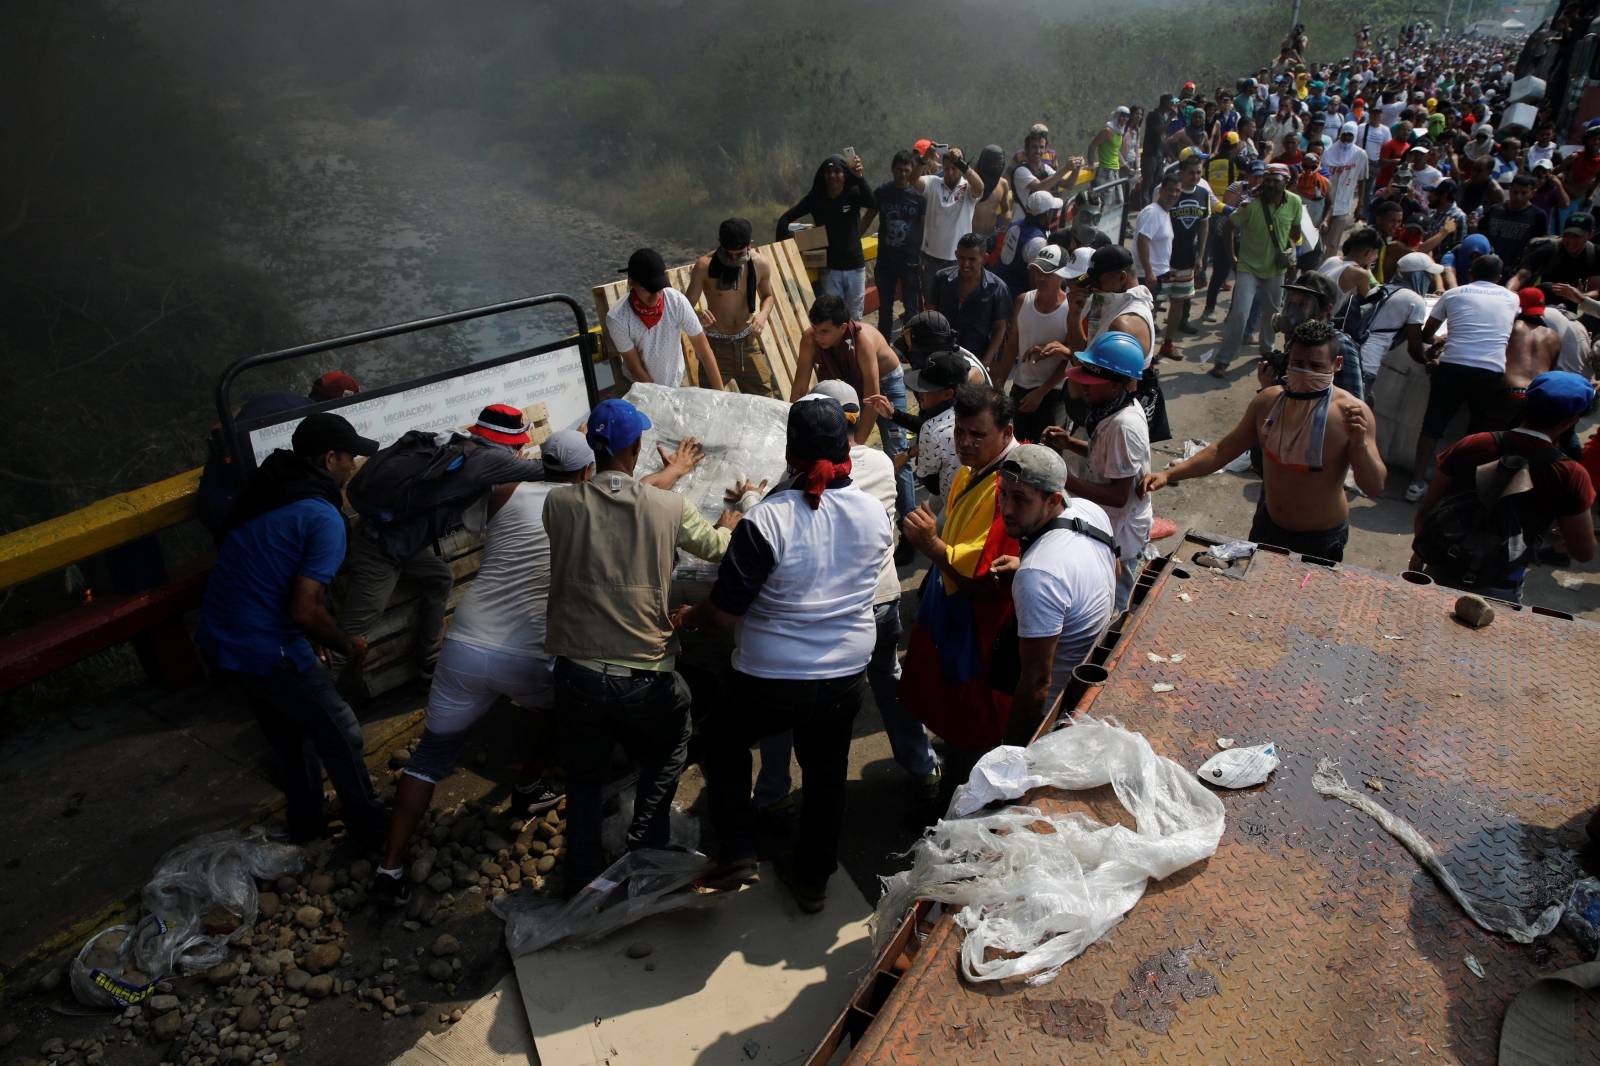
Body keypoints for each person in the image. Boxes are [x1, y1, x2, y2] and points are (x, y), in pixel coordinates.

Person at [681, 394, 893, 911]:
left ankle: (735, 851)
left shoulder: (766, 522)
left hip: (770, 677)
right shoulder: (872, 513)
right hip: (844, 672)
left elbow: (725, 612)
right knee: (826, 774)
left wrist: (690, 616)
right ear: (846, 448)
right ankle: (813, 878)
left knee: (719, 741)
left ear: (789, 453)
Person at [372, 430, 597, 906]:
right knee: (553, 709)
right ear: (585, 473)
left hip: (466, 641)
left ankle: (388, 865)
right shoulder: (586, 508)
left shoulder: (505, 493)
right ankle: (529, 785)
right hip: (527, 651)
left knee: (430, 758)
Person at [541, 398, 741, 891]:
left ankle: (582, 873)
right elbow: (719, 548)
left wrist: (667, 474)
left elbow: (613, 500)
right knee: (673, 738)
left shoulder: (559, 505)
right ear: (635, 448)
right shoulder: (669, 508)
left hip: (574, 672)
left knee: (583, 775)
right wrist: (733, 515)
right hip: (644, 675)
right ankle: (647, 842)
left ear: (593, 448)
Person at [750, 381, 941, 819]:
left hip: (833, 606)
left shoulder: (794, 480)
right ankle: (923, 766)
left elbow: (770, 517)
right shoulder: (878, 463)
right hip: (882, 600)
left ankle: (775, 789)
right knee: (888, 679)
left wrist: (746, 497)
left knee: (784, 692)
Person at [196, 413, 387, 848]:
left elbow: (265, 571)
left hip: (221, 637)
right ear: (330, 457)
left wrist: (308, 637)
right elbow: (304, 609)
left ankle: (307, 823)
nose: (353, 466)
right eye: (350, 457)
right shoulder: (322, 517)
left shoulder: (269, 490)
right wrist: (345, 643)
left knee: (289, 734)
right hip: (265, 643)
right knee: (342, 734)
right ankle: (370, 829)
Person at [333, 403, 547, 698]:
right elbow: (547, 469)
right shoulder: (488, 459)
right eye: (518, 445)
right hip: (380, 551)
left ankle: (427, 661)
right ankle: (319, 695)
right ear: (508, 442)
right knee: (350, 635)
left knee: (439, 577)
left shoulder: (463, 444)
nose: (519, 450)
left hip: (397, 541)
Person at [1142, 320, 1387, 562]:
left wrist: (1359, 444)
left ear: (1337, 364)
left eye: (1316, 366)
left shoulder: (1353, 414)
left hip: (1320, 539)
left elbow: (1374, 486)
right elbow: (1223, 450)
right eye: (1298, 364)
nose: (1306, 372)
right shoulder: (1269, 402)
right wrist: (1169, 475)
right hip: (1268, 527)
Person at [899, 386, 1020, 798]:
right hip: (953, 602)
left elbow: (985, 573)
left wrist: (932, 547)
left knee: (974, 712)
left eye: (978, 435)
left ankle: (961, 799)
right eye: (961, 434)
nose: (966, 444)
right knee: (951, 700)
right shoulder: (974, 469)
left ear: (1007, 433)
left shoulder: (1013, 486)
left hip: (982, 619)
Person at [1411, 371, 1596, 602]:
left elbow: (1427, 509)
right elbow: (1584, 551)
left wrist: (1421, 553)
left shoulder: (1474, 444)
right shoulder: (1569, 474)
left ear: (1525, 403)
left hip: (1442, 568)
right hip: (1500, 586)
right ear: (1570, 421)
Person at [990, 445, 1117, 744]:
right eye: (1004, 493)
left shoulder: (1037, 576)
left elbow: (1037, 684)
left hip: (1053, 720)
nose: (1006, 509)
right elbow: (1117, 570)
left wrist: (1011, 755)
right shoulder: (1090, 512)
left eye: (1021, 499)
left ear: (1053, 500)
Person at [1044, 331, 1152, 609]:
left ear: (1118, 385)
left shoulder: (1123, 426)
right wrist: (1070, 443)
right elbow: (1104, 456)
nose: (1085, 386)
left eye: (1095, 379)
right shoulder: (1111, 410)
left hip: (1120, 530)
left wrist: (1065, 479)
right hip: (1107, 520)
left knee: (1114, 602)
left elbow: (1118, 495)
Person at [1406, 254, 1520, 501]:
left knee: (1432, 426)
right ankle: (1462, 487)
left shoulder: (1453, 294)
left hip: (1453, 366)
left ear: (1469, 273)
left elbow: (1426, 335)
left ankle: (1415, 484)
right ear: (1499, 278)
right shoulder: (1512, 298)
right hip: (1490, 371)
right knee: (1477, 431)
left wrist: (1440, 341)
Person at [1210, 164, 1302, 378]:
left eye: (1274, 180)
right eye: (1267, 179)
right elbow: (1228, 227)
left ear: (1285, 182)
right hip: (1248, 267)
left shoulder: (1295, 202)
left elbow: (1296, 232)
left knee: (1272, 315)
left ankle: (1267, 352)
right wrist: (1232, 256)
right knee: (1240, 314)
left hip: (1275, 270)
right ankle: (1223, 360)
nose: (1269, 184)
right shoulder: (1250, 204)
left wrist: (1289, 251)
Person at [776, 155, 876, 321]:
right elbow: (785, 219)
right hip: (830, 270)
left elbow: (872, 203)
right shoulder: (816, 198)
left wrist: (859, 177)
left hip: (855, 268)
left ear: (845, 174)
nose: (832, 175)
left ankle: (853, 347)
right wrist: (786, 253)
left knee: (855, 317)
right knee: (833, 318)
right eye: (828, 172)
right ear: (823, 175)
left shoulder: (853, 193)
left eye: (837, 171)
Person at [608, 248, 724, 390]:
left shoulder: (676, 301)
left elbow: (704, 351)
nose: (655, 297)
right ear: (631, 282)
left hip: (675, 383)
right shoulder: (617, 318)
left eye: (659, 289)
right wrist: (661, 397)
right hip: (638, 387)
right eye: (647, 290)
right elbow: (635, 368)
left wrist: (721, 393)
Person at [686, 219, 778, 397]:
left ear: (750, 245)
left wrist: (762, 315)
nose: (734, 259)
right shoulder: (704, 266)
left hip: (747, 343)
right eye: (729, 254)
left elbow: (768, 296)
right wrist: (698, 314)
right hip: (716, 346)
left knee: (766, 399)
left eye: (740, 254)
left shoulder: (760, 264)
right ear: (720, 243)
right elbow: (685, 306)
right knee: (710, 403)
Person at [993, 245, 1074, 443]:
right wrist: (999, 383)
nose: (1041, 278)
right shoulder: (1023, 301)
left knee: (1048, 454)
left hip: (1053, 394)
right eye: (1038, 271)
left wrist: (1041, 392)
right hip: (1021, 388)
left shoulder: (1071, 309)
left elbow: (1069, 360)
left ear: (1062, 274)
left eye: (1048, 272)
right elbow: (1012, 346)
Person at [1353, 251, 1442, 399]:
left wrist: (1436, 339)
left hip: (1351, 353)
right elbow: (1414, 348)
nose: (1431, 279)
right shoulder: (1415, 300)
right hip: (1367, 362)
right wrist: (1428, 361)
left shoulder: (1381, 289)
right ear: (1417, 275)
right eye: (1427, 275)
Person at [928, 233, 1012, 370]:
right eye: (961, 258)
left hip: (975, 361)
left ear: (984, 258)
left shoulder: (998, 288)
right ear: (956, 254)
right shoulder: (941, 279)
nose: (965, 264)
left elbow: (999, 329)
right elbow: (931, 317)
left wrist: (984, 365)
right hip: (942, 356)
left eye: (972, 259)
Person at [868, 150, 927, 338]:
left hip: (910, 261)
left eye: (906, 170)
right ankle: (883, 345)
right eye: (899, 169)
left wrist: (925, 255)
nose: (903, 174)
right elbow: (867, 218)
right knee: (885, 307)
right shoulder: (882, 193)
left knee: (912, 307)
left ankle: (912, 347)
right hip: (886, 260)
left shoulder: (918, 197)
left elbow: (925, 229)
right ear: (892, 169)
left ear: (911, 171)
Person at [917, 147, 986, 301]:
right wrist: (924, 159)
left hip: (959, 260)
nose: (950, 172)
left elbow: (980, 187)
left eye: (954, 168)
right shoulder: (933, 183)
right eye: (947, 168)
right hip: (930, 259)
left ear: (960, 169)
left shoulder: (968, 188)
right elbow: (913, 180)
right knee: (931, 302)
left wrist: (962, 164)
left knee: (956, 303)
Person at [1493, 288, 1563, 429]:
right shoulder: (1554, 336)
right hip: (1537, 395)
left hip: (1508, 392)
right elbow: (1551, 369)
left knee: (1485, 439)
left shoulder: (1510, 328)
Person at [1164, 153, 1216, 345]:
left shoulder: (1203, 194)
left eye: (1198, 173)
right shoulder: (1168, 192)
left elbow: (1204, 225)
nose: (1195, 177)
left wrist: (1200, 255)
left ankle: (1175, 332)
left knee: (1181, 298)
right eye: (1191, 173)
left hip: (1187, 254)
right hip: (1165, 255)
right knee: (1157, 298)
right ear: (1182, 173)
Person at [1135, 172, 1181, 360]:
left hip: (1159, 275)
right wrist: (1148, 271)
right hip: (1148, 277)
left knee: (1150, 319)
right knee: (1144, 320)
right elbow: (1142, 240)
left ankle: (1145, 356)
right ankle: (1142, 357)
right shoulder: (1153, 212)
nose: (1174, 194)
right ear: (1161, 190)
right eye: (1170, 190)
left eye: (1177, 191)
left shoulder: (1164, 213)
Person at [1515, 212, 1599, 312]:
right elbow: (1522, 275)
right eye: (1567, 234)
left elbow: (1596, 290)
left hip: (1572, 310)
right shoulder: (1550, 248)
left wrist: (1578, 296)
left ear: (1590, 234)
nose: (1570, 240)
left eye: (1576, 236)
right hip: (1542, 306)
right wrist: (1509, 293)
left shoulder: (1595, 253)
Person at [995, 190, 1063, 297]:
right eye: (1051, 212)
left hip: (998, 286)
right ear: (1044, 215)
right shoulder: (1038, 243)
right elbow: (1034, 282)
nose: (1053, 216)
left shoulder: (1014, 225)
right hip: (1014, 296)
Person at [1480, 174, 1549, 276]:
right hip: (1490, 269)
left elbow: (1538, 247)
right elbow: (1482, 235)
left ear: (1533, 193)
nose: (1518, 197)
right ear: (1510, 190)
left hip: (1516, 272)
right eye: (1515, 192)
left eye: (1524, 193)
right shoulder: (1495, 210)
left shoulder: (1538, 216)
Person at [1321, 122, 1371, 254]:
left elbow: (1362, 180)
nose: (1346, 138)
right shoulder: (1328, 153)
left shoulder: (1360, 155)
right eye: (1345, 135)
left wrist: (1360, 203)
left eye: (1350, 135)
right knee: (1320, 240)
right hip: (1325, 203)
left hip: (1343, 203)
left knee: (1333, 243)